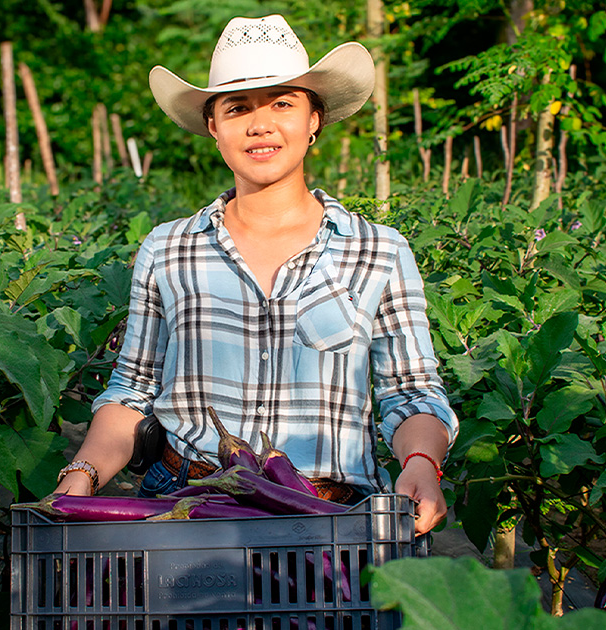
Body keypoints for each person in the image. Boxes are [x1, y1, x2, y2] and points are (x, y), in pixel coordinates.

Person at [55, 15, 458, 534]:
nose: (260, 124)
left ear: (315, 118)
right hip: (186, 503)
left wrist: (422, 465)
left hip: (327, 515)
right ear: (213, 128)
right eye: (237, 108)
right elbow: (133, 389)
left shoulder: (376, 250)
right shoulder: (169, 249)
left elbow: (411, 392)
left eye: (283, 103)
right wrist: (82, 473)